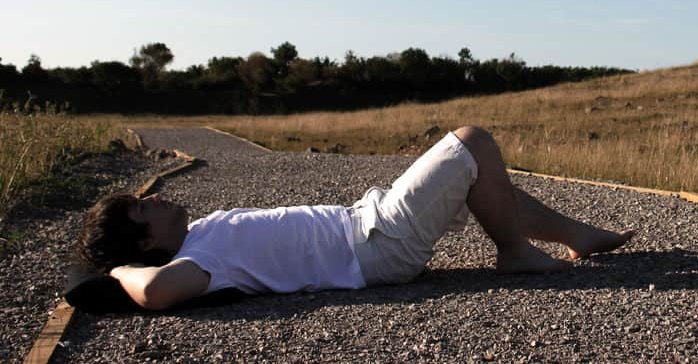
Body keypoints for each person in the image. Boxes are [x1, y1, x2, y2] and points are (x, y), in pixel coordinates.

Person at [77, 126, 635, 310]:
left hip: (368, 223)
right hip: (374, 244)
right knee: (470, 142)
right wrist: (119, 272)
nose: (154, 200)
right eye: (143, 209)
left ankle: (574, 235)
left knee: (472, 179)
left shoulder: (201, 232)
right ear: (147, 243)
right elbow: (155, 293)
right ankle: (514, 255)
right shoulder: (197, 258)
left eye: (145, 196)